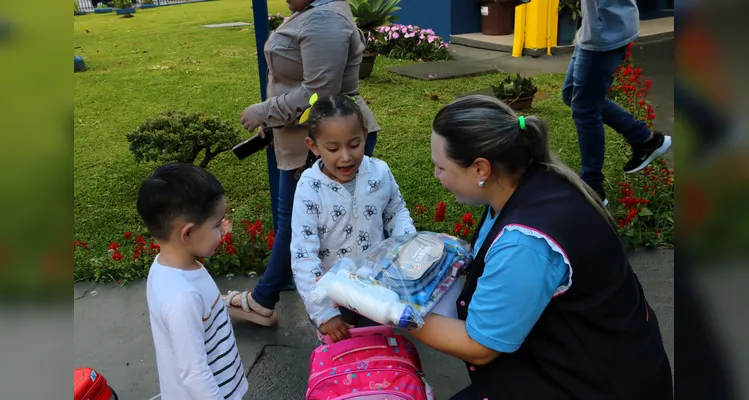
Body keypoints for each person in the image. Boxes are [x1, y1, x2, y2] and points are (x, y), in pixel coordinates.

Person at [410, 95, 672, 399]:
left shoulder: (525, 242)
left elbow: (481, 346)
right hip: (600, 367)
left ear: (481, 169)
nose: (436, 176)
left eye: (440, 167)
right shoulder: (532, 181)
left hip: (593, 386)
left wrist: (391, 309)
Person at [231, 0, 380, 326]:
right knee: (298, 225)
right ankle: (267, 299)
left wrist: (265, 111)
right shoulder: (315, 11)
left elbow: (319, 95)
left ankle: (345, 319)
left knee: (316, 230)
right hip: (307, 138)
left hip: (325, 144)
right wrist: (274, 121)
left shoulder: (325, 19)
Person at [295, 94, 414, 342]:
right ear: (313, 146)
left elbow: (396, 212)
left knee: (380, 350)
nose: (346, 157)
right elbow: (303, 254)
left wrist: (408, 250)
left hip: (378, 289)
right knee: (343, 360)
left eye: (354, 144)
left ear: (365, 135)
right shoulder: (309, 188)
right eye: (333, 148)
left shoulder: (379, 173)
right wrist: (324, 313)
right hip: (333, 297)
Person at [139, 163, 249, 400]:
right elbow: (194, 373)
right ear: (187, 233)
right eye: (217, 223)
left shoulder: (166, 266)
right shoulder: (182, 297)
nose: (224, 230)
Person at [562, 0, 672, 203]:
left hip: (604, 32)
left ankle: (592, 187)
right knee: (571, 94)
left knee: (585, 108)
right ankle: (644, 139)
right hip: (600, 25)